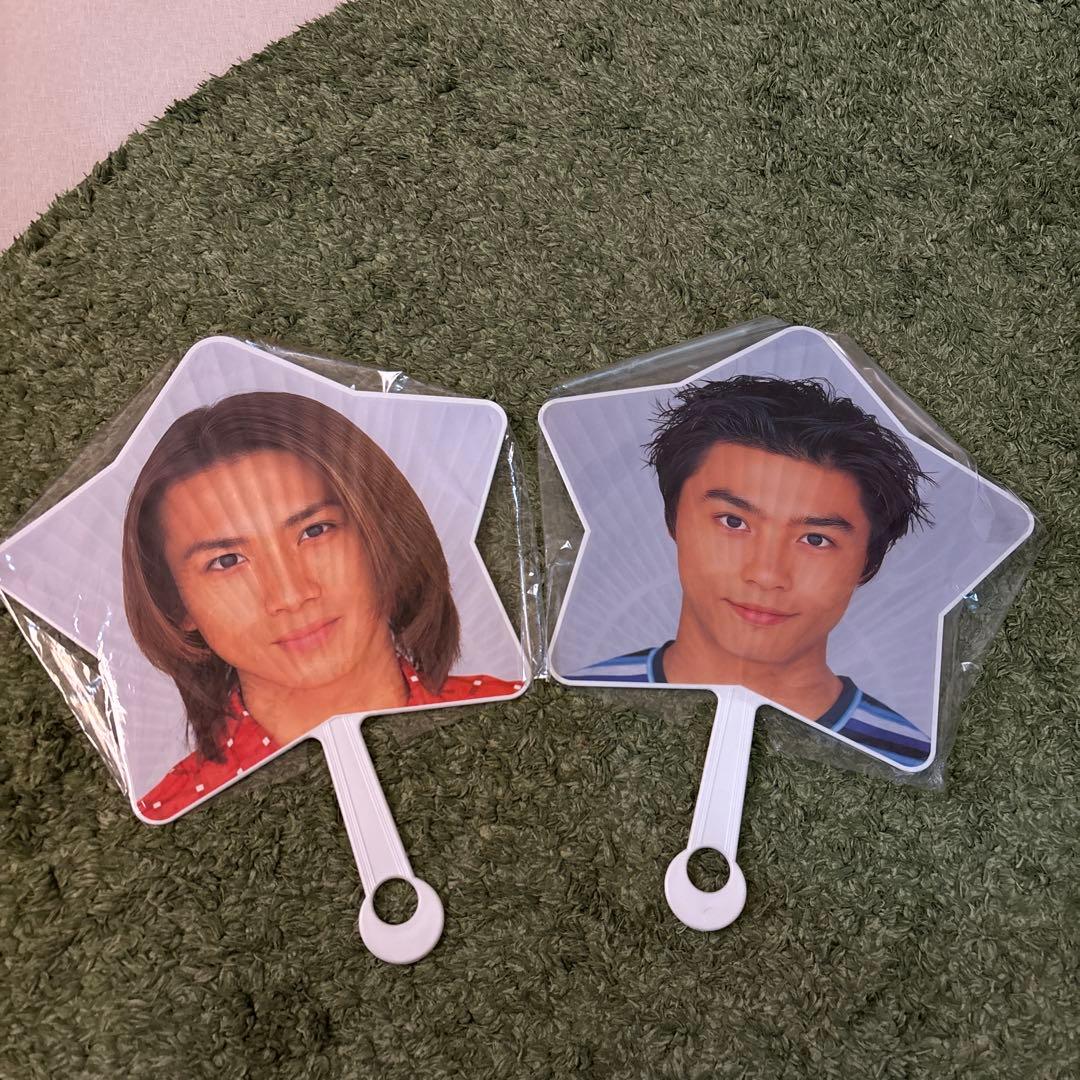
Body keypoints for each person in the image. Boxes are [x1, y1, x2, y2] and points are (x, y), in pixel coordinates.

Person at [123, 391, 520, 820]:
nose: (291, 595)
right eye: (227, 561)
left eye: (315, 531)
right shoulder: (174, 817)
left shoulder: (511, 714)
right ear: (175, 602)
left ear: (382, 537)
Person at [570, 375, 935, 767]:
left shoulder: (904, 756)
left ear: (868, 562)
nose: (766, 574)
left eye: (815, 539)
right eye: (733, 521)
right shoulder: (579, 702)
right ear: (673, 520)